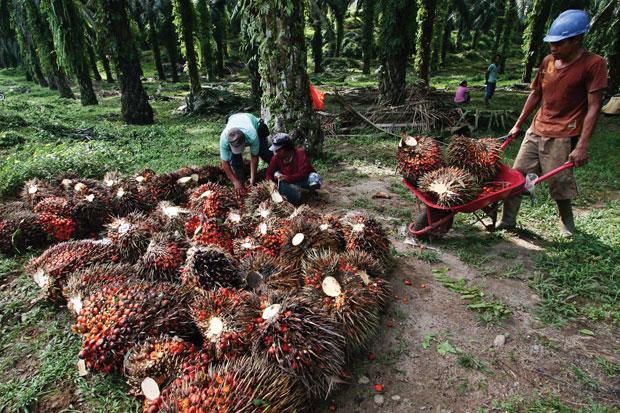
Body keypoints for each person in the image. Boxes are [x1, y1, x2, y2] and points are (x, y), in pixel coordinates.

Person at [497, 9, 607, 237]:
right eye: (551, 43)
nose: (553, 48)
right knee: (517, 174)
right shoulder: (548, 61)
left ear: (576, 40)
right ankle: (508, 221)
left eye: (559, 43)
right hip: (537, 128)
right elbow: (536, 94)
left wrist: (582, 145)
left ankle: (567, 223)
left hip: (564, 132)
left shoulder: (593, 64)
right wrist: (519, 124)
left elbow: (594, 106)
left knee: (559, 180)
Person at [219, 113, 272, 196]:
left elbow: (254, 157)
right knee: (235, 160)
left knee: (264, 152)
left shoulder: (252, 135)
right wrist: (235, 182)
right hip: (234, 119)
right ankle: (241, 183)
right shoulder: (224, 139)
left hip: (254, 123)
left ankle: (277, 170)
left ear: (245, 140)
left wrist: (253, 179)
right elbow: (224, 162)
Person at [265, 133, 322, 205]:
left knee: (314, 177)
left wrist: (287, 177)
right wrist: (271, 183)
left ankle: (311, 192)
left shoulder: (300, 153)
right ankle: (296, 196)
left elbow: (303, 173)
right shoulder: (276, 158)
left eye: (279, 150)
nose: (276, 152)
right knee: (277, 175)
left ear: (287, 148)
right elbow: (269, 173)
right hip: (288, 182)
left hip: (302, 180)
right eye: (276, 150)